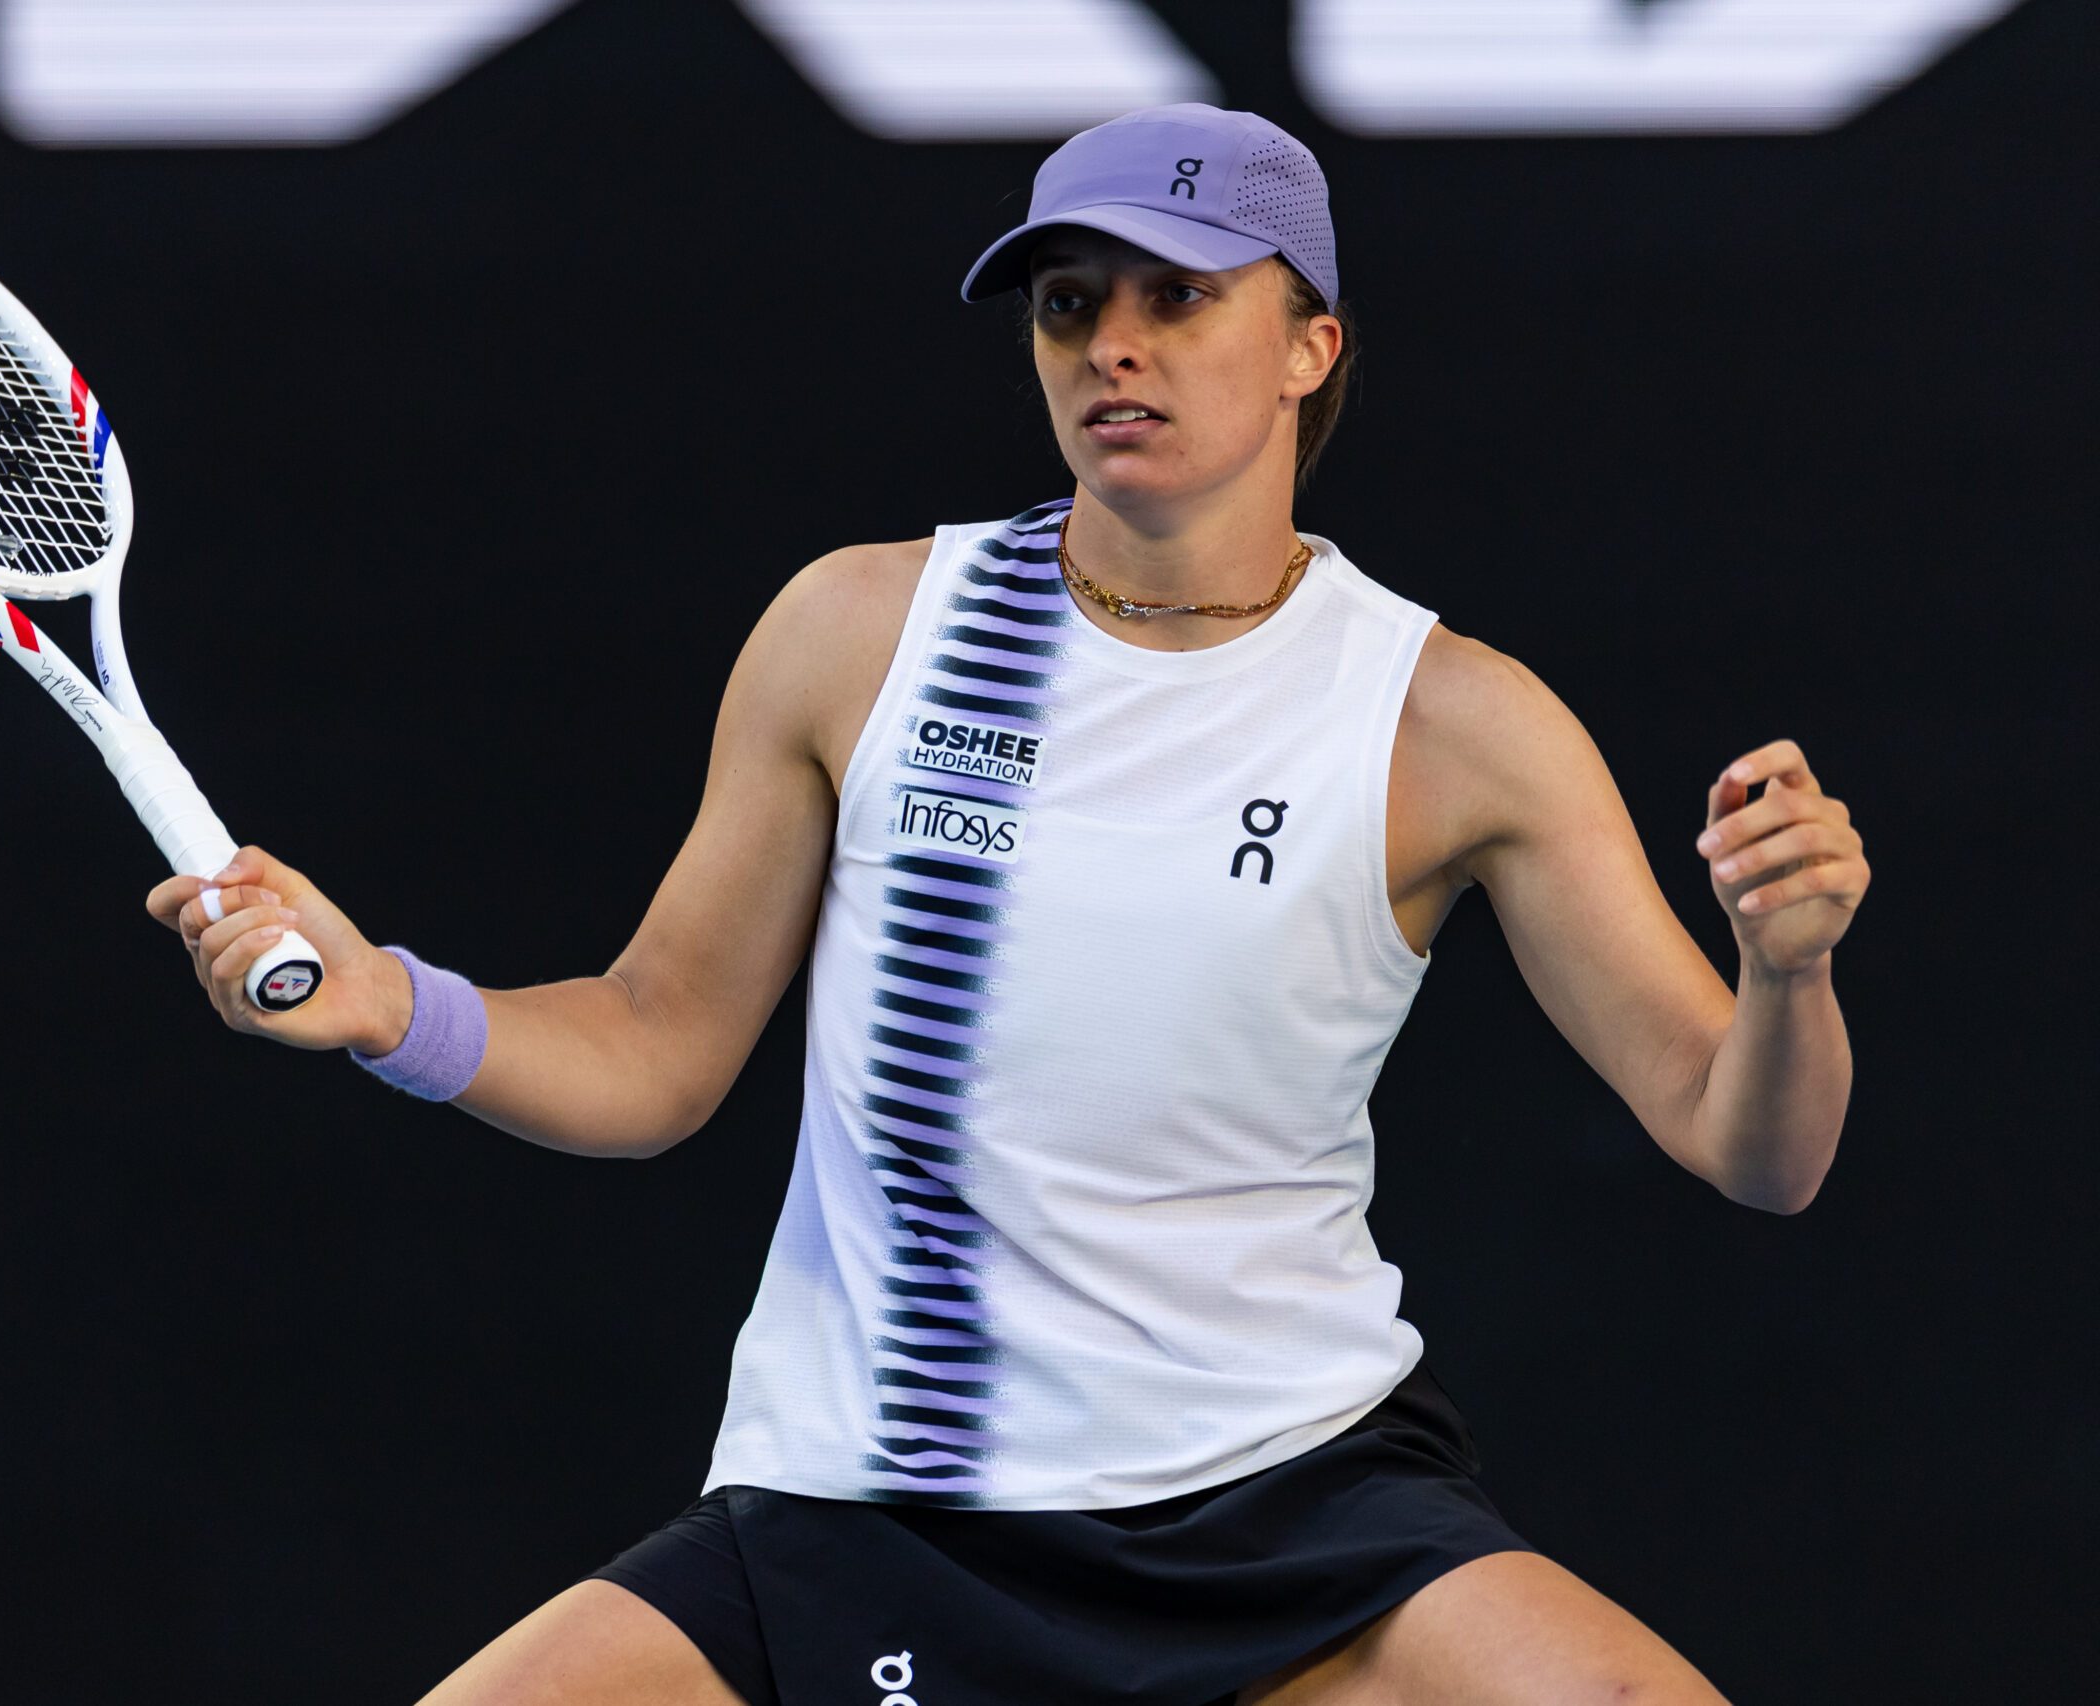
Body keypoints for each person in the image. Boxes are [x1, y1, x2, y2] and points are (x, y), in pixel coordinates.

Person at [149, 105, 1865, 1706]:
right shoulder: (862, 631)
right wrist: (393, 1006)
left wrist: (1786, 975)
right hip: (874, 1499)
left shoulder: (1456, 719)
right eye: (1066, 302)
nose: (1111, 342)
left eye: (1180, 295)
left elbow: (1752, 1144)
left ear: (1308, 345)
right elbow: (655, 1045)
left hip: (1292, 1506)